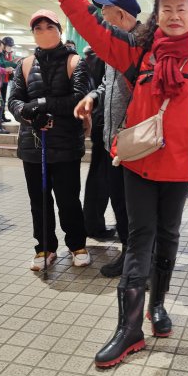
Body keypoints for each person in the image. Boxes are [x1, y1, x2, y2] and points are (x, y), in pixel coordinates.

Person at [40, 0, 188, 368]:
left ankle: (158, 307)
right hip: (138, 164)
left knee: (168, 239)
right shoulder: (139, 54)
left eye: (181, 10)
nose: (173, 16)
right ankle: (128, 330)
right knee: (139, 240)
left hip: (181, 169)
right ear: (156, 16)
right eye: (165, 9)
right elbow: (93, 27)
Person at [8, 9, 92, 271]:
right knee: (39, 200)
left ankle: (77, 244)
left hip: (65, 145)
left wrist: (42, 103)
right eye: (38, 28)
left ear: (59, 30)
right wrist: (28, 114)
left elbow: (80, 98)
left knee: (68, 199)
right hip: (33, 145)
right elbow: (14, 100)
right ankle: (44, 247)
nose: (44, 32)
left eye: (49, 27)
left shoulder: (76, 62)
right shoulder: (23, 64)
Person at [75, 0, 142, 277]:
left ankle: (137, 262)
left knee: (134, 209)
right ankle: (129, 254)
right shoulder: (116, 46)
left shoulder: (140, 46)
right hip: (115, 142)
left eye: (107, 12)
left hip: (134, 144)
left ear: (122, 15)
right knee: (120, 203)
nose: (103, 17)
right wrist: (92, 95)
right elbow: (107, 82)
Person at [81, 46, 113, 240]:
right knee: (102, 176)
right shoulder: (105, 55)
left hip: (98, 118)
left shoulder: (88, 57)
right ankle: (93, 225)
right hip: (105, 120)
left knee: (97, 175)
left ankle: (92, 223)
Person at [0, 36, 17, 123]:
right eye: (9, 46)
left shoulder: (8, 54)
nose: (10, 48)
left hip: (5, 79)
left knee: (4, 99)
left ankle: (2, 116)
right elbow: (1, 64)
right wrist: (13, 64)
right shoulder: (0, 53)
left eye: (11, 46)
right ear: (4, 45)